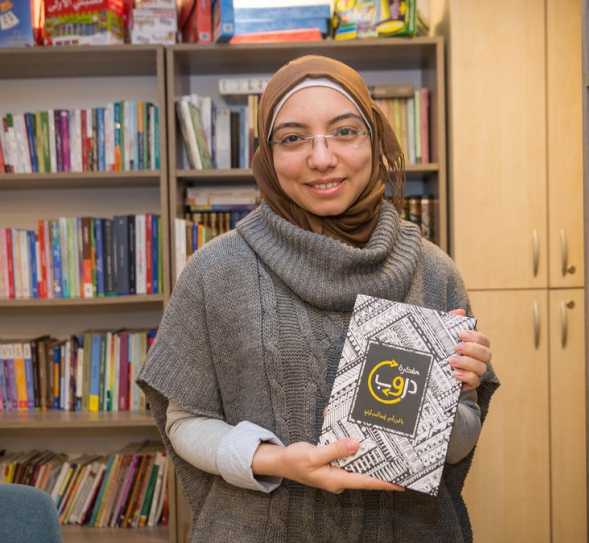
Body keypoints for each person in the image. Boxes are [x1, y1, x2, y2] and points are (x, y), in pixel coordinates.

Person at [136, 54, 499, 542]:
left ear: (375, 140)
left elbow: (458, 444)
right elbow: (184, 423)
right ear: (266, 153)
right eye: (293, 138)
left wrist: (450, 399)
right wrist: (277, 460)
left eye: (345, 131)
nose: (322, 158)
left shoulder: (433, 271)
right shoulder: (215, 271)